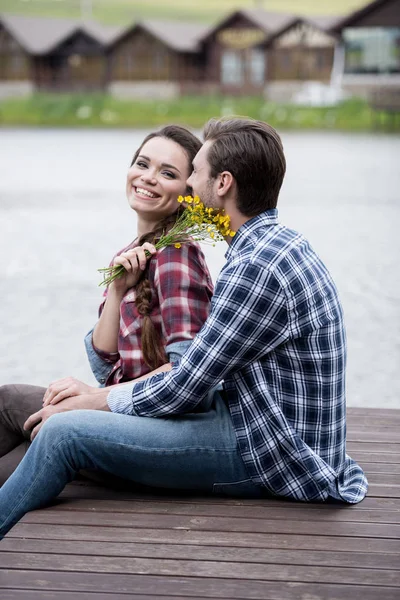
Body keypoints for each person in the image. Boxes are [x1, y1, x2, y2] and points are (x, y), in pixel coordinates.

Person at [0, 117, 368, 539]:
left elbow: (186, 385)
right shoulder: (274, 246)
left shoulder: (255, 267)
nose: (190, 184)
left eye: (194, 171)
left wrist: (90, 403)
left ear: (223, 183)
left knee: (63, 433)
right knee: (33, 414)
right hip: (258, 426)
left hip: (272, 454)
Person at [0, 125, 213, 486]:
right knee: (17, 439)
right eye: (142, 164)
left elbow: (187, 373)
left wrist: (89, 401)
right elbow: (106, 363)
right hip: (120, 413)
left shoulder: (177, 256)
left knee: (9, 402)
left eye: (168, 173)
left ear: (189, 192)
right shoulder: (135, 254)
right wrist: (116, 291)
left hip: (148, 431)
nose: (148, 178)